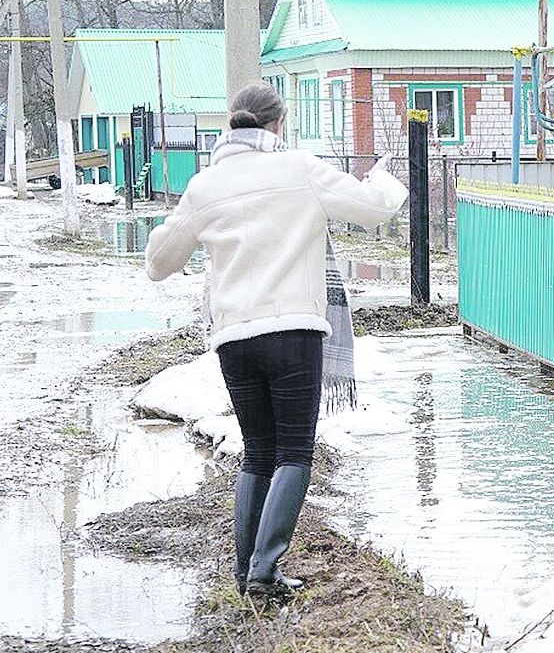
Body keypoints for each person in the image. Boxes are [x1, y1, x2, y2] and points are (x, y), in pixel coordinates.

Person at [144, 81, 406, 596]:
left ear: (232, 124)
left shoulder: (204, 185)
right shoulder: (299, 169)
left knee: (258, 452)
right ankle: (265, 570)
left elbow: (158, 263)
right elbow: (375, 209)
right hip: (293, 332)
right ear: (278, 124)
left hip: (234, 339)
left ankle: (246, 570)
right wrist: (380, 176)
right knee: (294, 453)